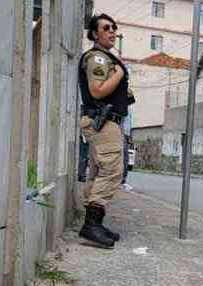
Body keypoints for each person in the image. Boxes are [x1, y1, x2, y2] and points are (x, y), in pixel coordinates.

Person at [78, 14, 133, 248]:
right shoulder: (98, 59)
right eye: (106, 28)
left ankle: (94, 223)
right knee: (111, 171)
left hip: (105, 121)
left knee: (98, 172)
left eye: (114, 28)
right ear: (94, 34)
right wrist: (120, 72)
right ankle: (91, 225)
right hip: (103, 122)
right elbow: (98, 91)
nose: (112, 31)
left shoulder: (106, 58)